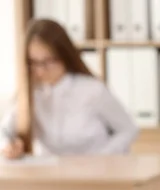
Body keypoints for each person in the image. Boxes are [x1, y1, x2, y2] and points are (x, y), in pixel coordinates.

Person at [0, 19, 138, 158]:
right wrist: (8, 146)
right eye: (34, 63)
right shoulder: (32, 93)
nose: (40, 71)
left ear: (64, 56)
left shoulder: (92, 90)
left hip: (95, 172)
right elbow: (4, 130)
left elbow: (128, 129)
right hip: (52, 174)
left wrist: (100, 157)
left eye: (47, 61)